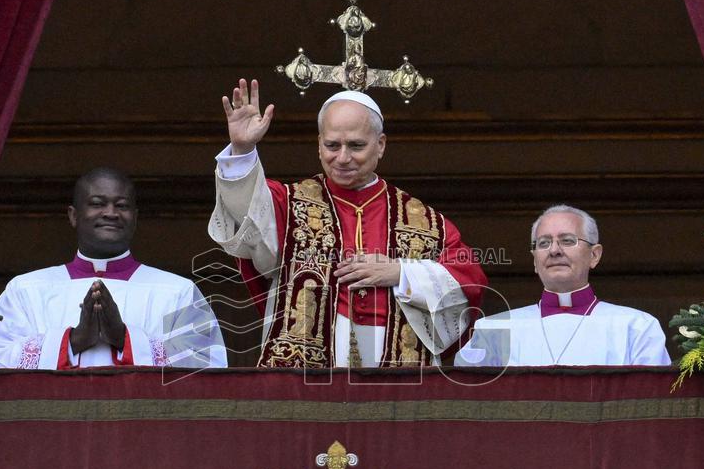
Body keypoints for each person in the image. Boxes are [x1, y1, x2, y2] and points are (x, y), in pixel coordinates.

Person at [209, 78, 487, 368]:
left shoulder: (425, 222)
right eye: (332, 145)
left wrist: (402, 273)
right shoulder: (288, 203)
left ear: (380, 145)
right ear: (319, 145)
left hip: (398, 379)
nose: (342, 158)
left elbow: (469, 282)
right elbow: (249, 216)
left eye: (356, 145)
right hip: (308, 379)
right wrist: (242, 151)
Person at [0, 167, 226, 369]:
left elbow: (207, 366)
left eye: (121, 205)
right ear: (74, 215)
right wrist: (73, 340)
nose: (110, 213)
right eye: (97, 203)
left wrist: (124, 338)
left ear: (135, 216)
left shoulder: (178, 292)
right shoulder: (25, 290)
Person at [455, 204, 671, 367]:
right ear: (534, 260)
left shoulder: (636, 326)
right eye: (544, 243)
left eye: (567, 240)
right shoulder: (494, 330)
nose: (554, 250)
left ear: (594, 255)